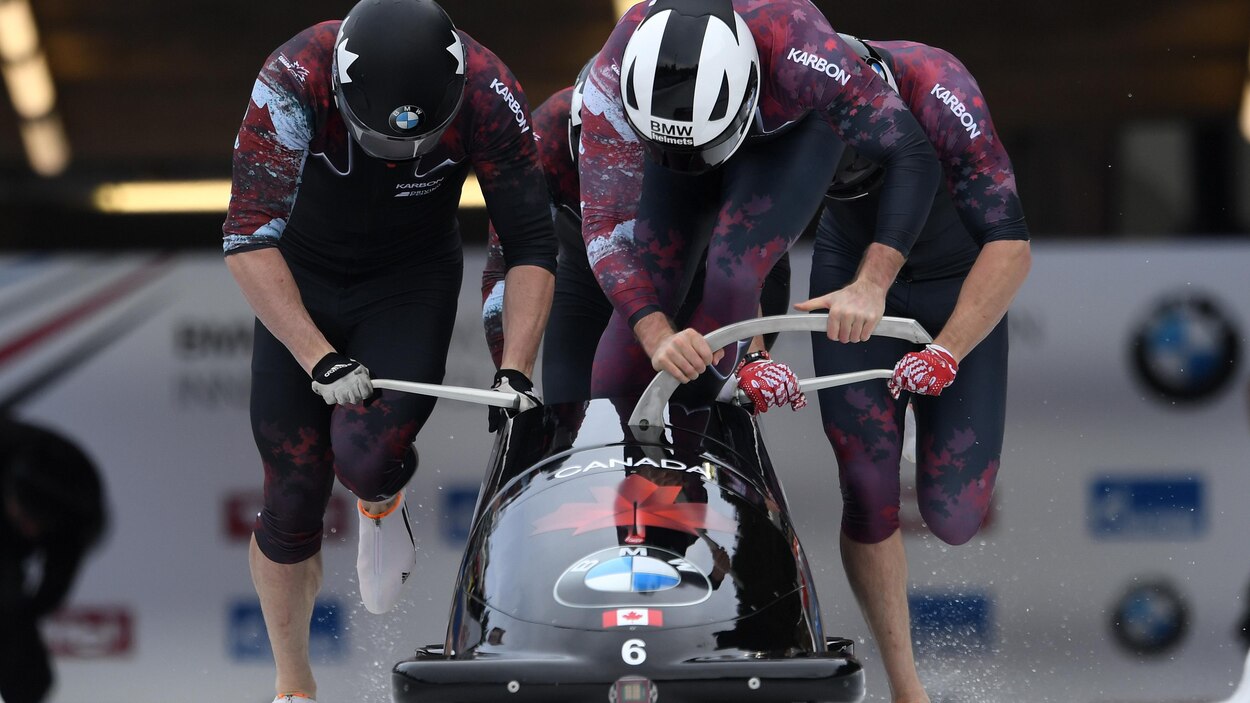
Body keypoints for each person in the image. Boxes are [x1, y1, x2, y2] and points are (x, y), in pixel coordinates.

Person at [221, 0, 556, 700]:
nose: (398, 154)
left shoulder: (490, 91)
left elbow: (529, 242)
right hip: (300, 277)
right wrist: (316, 355)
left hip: (408, 281)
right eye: (380, 139)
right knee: (293, 489)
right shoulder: (294, 77)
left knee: (366, 454)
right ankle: (293, 684)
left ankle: (380, 496)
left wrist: (516, 366)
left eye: (417, 142)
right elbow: (248, 236)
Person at [795, 35, 1032, 702]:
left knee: (954, 513)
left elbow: (1011, 247)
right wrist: (754, 354)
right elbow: (750, 239)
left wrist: (947, 350)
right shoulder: (783, 99)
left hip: (955, 280)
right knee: (866, 482)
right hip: (850, 271)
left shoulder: (940, 90)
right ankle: (907, 689)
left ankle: (931, 409)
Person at [577, 0, 943, 410]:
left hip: (788, 135)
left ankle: (703, 420)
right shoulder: (611, 73)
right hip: (675, 146)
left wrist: (874, 282)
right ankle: (609, 429)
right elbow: (604, 223)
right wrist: (654, 332)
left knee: (733, 274)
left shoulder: (803, 50)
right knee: (648, 284)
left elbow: (913, 152)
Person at [481, 58, 793, 407]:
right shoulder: (544, 138)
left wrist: (752, 355)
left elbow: (741, 254)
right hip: (588, 280)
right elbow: (506, 261)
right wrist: (511, 376)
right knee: (568, 410)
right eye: (602, 145)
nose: (614, 167)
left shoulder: (706, 128)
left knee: (710, 405)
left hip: (704, 272)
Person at [0, 417, 107, 703]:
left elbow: (53, 587)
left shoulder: (77, 518)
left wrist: (27, 615)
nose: (30, 529)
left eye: (37, 524)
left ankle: (24, 687)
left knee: (14, 611)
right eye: (24, 519)